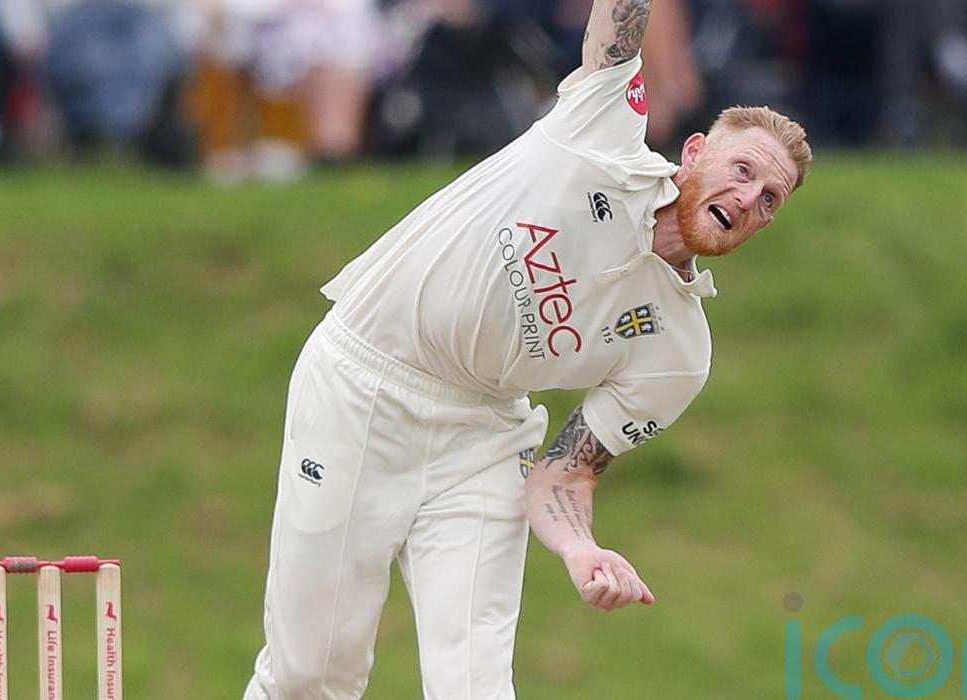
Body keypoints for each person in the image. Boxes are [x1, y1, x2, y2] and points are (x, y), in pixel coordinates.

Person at [243, 0, 812, 697]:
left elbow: (567, 474)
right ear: (694, 151)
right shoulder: (603, 130)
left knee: (475, 687)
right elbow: (619, 24)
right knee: (310, 673)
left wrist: (581, 549)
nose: (750, 198)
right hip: (361, 383)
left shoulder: (679, 353)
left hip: (481, 437)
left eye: (771, 199)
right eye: (743, 170)